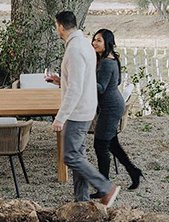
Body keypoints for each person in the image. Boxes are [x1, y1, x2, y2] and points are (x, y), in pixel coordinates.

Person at [47, 11, 120, 207]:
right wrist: (60, 80)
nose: (57, 29)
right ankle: (81, 200)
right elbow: (80, 80)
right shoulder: (82, 45)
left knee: (70, 156)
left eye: (56, 26)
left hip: (78, 112)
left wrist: (60, 117)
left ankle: (106, 187)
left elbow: (76, 88)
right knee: (78, 155)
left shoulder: (76, 49)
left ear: (61, 26)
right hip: (84, 108)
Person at [90, 29, 142, 193]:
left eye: (99, 40)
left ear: (107, 43)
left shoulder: (106, 62)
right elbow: (117, 80)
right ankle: (134, 172)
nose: (94, 43)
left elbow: (100, 88)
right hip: (113, 104)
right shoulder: (111, 58)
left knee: (100, 145)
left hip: (110, 108)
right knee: (112, 144)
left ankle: (104, 187)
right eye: (94, 39)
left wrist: (85, 79)